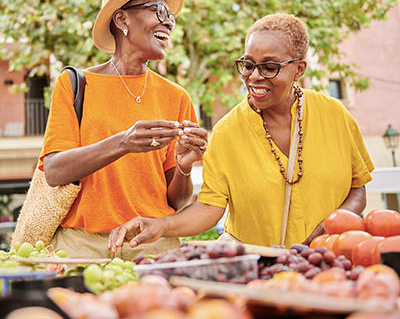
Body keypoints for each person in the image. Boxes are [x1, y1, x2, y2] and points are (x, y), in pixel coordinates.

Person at [108, 13, 374, 252]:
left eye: (269, 67)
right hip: (259, 270)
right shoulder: (226, 131)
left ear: (299, 69)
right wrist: (160, 226)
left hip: (334, 260)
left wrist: (334, 224)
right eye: (248, 65)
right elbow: (210, 207)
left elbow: (357, 188)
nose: (254, 77)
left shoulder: (335, 114)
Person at [40, 0, 208, 260]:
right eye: (159, 10)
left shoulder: (176, 96)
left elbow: (175, 203)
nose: (168, 22)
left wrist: (183, 167)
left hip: (152, 247)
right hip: (83, 248)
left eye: (171, 17)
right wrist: (124, 142)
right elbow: (55, 171)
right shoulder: (75, 84)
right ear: (121, 20)